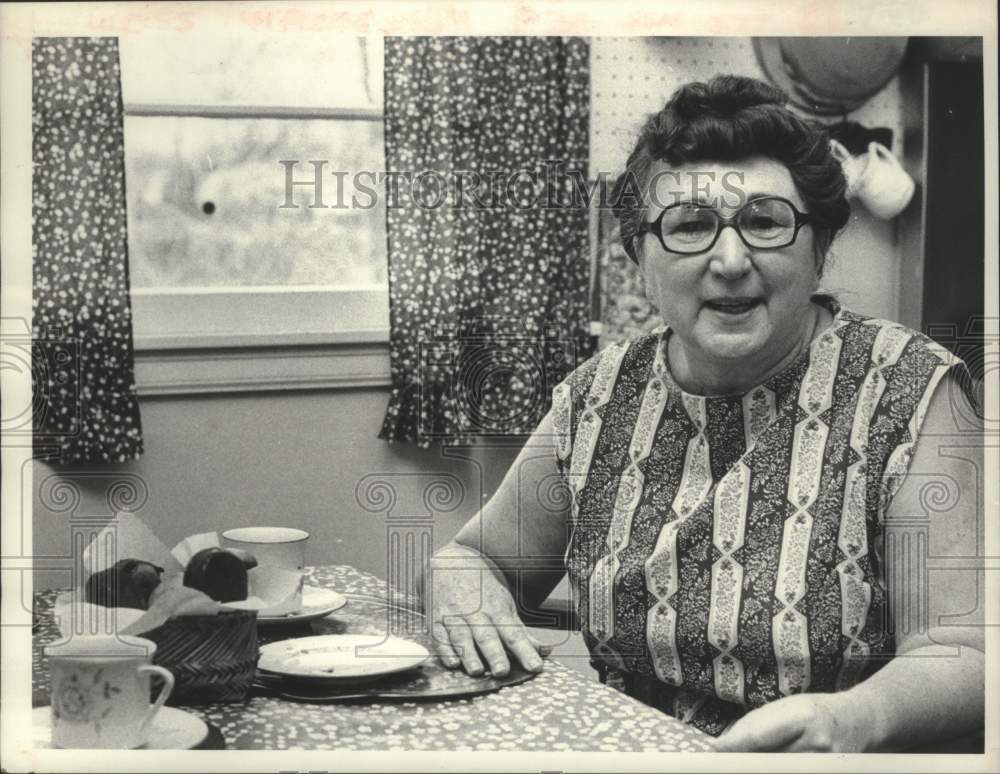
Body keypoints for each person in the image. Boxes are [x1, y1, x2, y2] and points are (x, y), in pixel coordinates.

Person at [421, 75, 985, 752]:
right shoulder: (597, 394)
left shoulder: (912, 389)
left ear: (819, 247)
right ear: (640, 258)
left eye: (765, 222)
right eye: (690, 227)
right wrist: (459, 585)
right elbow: (476, 557)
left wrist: (853, 718)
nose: (729, 260)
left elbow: (963, 651)